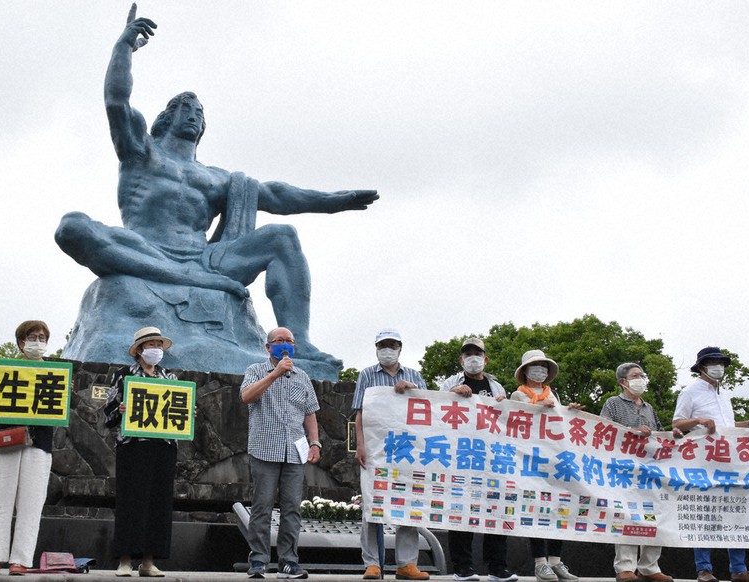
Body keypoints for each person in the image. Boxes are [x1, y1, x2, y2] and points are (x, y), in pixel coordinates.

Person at [54, 4, 378, 364]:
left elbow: (276, 195)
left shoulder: (216, 178)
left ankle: (297, 341)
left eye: (200, 112)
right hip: (144, 247)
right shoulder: (141, 151)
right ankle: (179, 275)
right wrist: (123, 48)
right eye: (186, 108)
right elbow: (117, 100)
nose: (194, 114)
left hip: (206, 260)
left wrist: (335, 200)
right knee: (71, 227)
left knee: (283, 236)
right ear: (166, 118)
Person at [672, 347, 749, 582]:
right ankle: (704, 569)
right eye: (713, 362)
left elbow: (729, 425)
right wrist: (699, 420)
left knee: (735, 513)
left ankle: (739, 569)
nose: (718, 366)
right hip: (704, 462)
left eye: (721, 362)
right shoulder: (690, 392)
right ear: (701, 367)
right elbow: (677, 423)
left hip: (730, 462)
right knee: (706, 514)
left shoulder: (724, 394)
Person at [240, 327, 321, 579]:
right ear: (268, 347)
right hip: (264, 448)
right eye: (279, 341)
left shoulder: (302, 376)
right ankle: (259, 561)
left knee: (292, 508)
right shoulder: (255, 370)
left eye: (289, 341)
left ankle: (289, 561)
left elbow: (310, 412)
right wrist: (275, 374)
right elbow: (246, 397)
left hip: (295, 450)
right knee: (262, 506)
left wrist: (315, 442)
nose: (285, 345)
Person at [352, 329, 430, 581]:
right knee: (373, 503)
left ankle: (406, 563)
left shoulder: (414, 375)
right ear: (376, 348)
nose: (387, 349)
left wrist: (413, 389)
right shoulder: (366, 374)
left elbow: (430, 408)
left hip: (408, 450)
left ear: (400, 348)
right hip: (376, 449)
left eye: (392, 345)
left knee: (408, 502)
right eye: (383, 345)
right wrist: (360, 445)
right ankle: (372, 563)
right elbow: (359, 413)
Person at [0, 321, 54, 576]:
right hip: (6, 439)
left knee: (31, 503)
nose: (37, 341)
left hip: (39, 443)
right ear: (21, 341)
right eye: (32, 336)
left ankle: (20, 559)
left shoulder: (55, 374)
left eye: (42, 337)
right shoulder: (5, 369)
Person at [439, 338, 517, 582]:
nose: (473, 357)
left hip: (492, 457)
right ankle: (462, 568)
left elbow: (506, 419)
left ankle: (498, 568)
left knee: (496, 509)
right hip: (461, 455)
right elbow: (433, 407)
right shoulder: (451, 382)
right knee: (461, 510)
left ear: (486, 359)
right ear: (461, 360)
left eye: (477, 353)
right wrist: (451, 395)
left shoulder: (496, 387)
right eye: (468, 354)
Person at [104, 326, 178, 577]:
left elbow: (179, 410)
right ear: (139, 350)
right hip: (133, 446)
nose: (155, 349)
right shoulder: (124, 376)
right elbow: (108, 412)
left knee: (159, 502)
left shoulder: (170, 377)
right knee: (130, 502)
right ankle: (125, 560)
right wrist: (120, 411)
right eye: (150, 345)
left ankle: (149, 561)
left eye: (158, 344)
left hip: (163, 447)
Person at [510, 349, 581, 582]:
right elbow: (515, 421)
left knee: (558, 509)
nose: (540, 370)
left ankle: (555, 561)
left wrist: (568, 412)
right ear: (525, 370)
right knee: (536, 509)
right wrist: (541, 408)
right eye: (535, 366)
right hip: (531, 459)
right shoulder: (518, 395)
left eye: (543, 366)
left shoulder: (554, 394)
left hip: (555, 459)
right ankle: (540, 563)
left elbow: (559, 423)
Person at [600, 363, 673, 582]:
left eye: (642, 374)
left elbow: (659, 433)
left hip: (650, 470)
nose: (641, 378)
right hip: (623, 469)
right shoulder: (612, 403)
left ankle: (649, 567)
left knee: (654, 517)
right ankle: (625, 567)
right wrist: (632, 433)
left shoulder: (649, 407)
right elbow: (603, 431)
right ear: (623, 382)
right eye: (635, 376)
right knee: (627, 515)